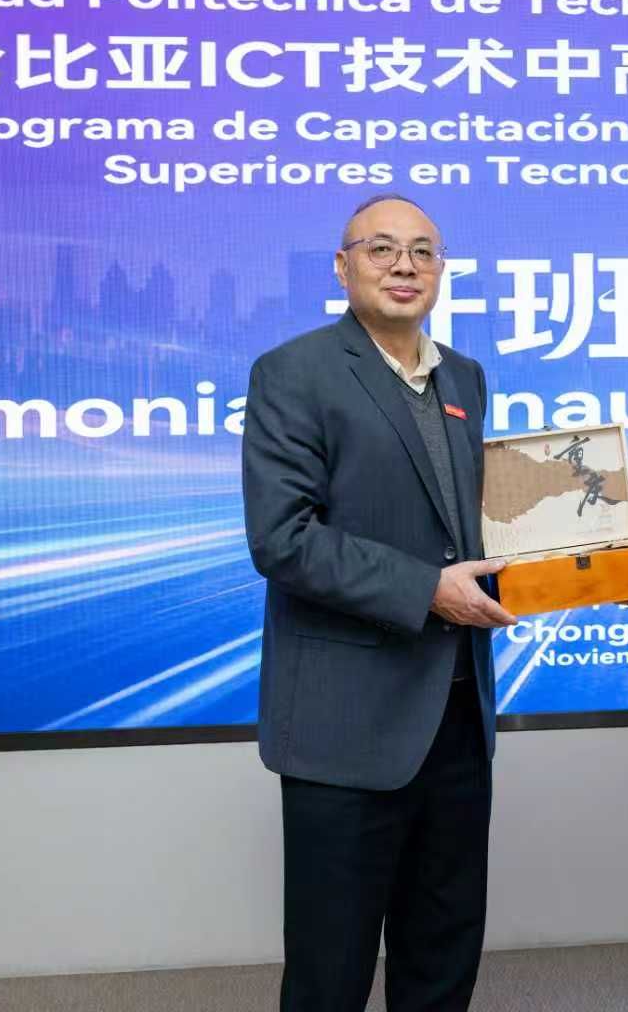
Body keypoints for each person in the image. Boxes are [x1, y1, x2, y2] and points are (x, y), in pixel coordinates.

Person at [242, 194, 511, 1012]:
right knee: (331, 971)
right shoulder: (294, 373)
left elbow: (469, 527)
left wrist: (556, 560)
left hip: (456, 715)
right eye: (382, 248)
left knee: (442, 955)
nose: (405, 266)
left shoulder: (464, 377)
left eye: (423, 251)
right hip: (346, 724)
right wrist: (427, 590)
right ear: (342, 265)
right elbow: (284, 539)